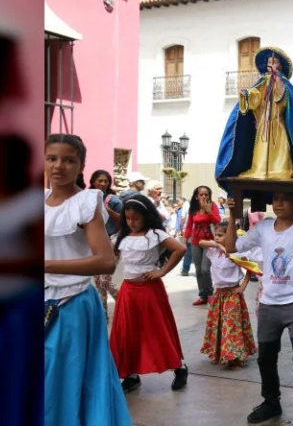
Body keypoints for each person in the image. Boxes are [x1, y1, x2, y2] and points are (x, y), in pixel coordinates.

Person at [44, 133, 131, 425]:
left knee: (62, 382)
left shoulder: (85, 202)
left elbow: (105, 260)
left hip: (72, 305)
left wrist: (45, 266)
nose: (59, 166)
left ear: (80, 165)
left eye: (69, 160)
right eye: (52, 158)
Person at [225, 193, 293, 426]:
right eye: (276, 198)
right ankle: (271, 402)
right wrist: (232, 216)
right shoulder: (262, 228)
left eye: (285, 198)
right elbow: (231, 247)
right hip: (270, 304)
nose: (279, 203)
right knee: (266, 358)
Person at [216, 46, 293, 184]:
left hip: (277, 123)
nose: (271, 63)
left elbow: (284, 98)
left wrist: (277, 79)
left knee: (278, 147)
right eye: (269, 61)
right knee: (262, 148)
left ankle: (279, 169)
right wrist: (247, 94)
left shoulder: (282, 82)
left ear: (280, 66)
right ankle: (260, 170)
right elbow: (256, 98)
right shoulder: (263, 82)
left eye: (275, 61)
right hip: (264, 125)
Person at [109, 194, 188, 393]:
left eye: (136, 218)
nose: (131, 222)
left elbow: (180, 249)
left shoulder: (155, 234)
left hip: (149, 291)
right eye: (128, 218)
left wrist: (162, 271)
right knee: (127, 333)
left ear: (146, 216)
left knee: (157, 330)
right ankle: (131, 375)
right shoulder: (122, 237)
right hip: (128, 292)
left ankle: (179, 367)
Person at [199, 221, 257, 368]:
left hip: (233, 294)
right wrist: (218, 245)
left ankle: (233, 355)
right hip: (219, 294)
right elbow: (201, 242)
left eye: (221, 235)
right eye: (216, 235)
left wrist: (243, 286)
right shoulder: (214, 251)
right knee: (220, 324)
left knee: (231, 325)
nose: (217, 237)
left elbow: (251, 267)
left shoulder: (236, 253)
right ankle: (221, 352)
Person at [88, 169, 123, 320]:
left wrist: (107, 210)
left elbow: (124, 221)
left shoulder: (113, 200)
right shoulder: (85, 197)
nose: (103, 184)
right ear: (93, 181)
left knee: (107, 281)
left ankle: (124, 306)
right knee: (97, 281)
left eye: (106, 181)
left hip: (111, 244)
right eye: (100, 180)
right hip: (92, 243)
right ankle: (102, 313)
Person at [184, 186, 221, 305]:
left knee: (205, 269)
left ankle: (210, 293)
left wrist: (208, 210)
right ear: (196, 196)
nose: (204, 196)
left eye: (206, 194)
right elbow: (189, 225)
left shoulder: (213, 206)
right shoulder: (193, 208)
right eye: (201, 194)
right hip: (195, 242)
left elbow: (218, 222)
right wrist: (185, 240)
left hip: (209, 242)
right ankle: (202, 295)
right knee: (198, 270)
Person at [178, 196, 194, 276]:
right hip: (191, 231)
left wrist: (180, 228)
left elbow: (183, 218)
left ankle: (185, 269)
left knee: (188, 251)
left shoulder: (186, 205)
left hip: (188, 230)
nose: (178, 202)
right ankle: (185, 269)